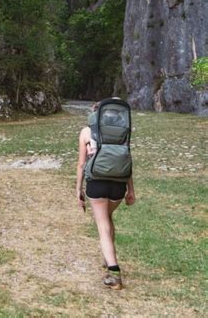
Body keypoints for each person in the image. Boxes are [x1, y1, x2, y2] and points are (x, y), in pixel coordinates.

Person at [76, 102, 135, 290]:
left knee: (102, 225)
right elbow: (127, 160)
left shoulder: (86, 132)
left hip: (97, 182)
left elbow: (81, 164)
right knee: (108, 218)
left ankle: (114, 273)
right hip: (119, 184)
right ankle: (107, 256)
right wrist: (131, 190)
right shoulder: (121, 133)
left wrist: (78, 190)